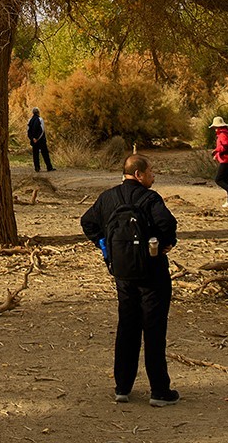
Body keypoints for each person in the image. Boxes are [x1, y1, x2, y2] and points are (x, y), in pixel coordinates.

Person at [80, 153, 179, 407]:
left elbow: (88, 222)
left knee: (127, 326)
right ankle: (159, 391)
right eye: (151, 172)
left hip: (122, 274)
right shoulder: (150, 198)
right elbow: (167, 223)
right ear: (139, 174)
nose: (153, 176)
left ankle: (122, 387)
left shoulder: (107, 197)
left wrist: (107, 249)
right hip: (152, 273)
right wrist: (165, 244)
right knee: (154, 330)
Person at [210, 115, 228, 206]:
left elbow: (225, 145)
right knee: (225, 180)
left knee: (218, 180)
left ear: (218, 127)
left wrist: (216, 151)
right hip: (227, 160)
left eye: (215, 127)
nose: (214, 130)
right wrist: (217, 154)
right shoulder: (226, 133)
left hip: (226, 160)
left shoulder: (222, 134)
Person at [26, 107, 53, 173]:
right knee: (45, 153)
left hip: (33, 141)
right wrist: (37, 138)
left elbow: (28, 131)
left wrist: (32, 138)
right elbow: (42, 130)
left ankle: (37, 168)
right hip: (41, 140)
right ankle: (49, 167)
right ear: (38, 112)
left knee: (35, 154)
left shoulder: (30, 120)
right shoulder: (40, 119)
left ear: (33, 113)